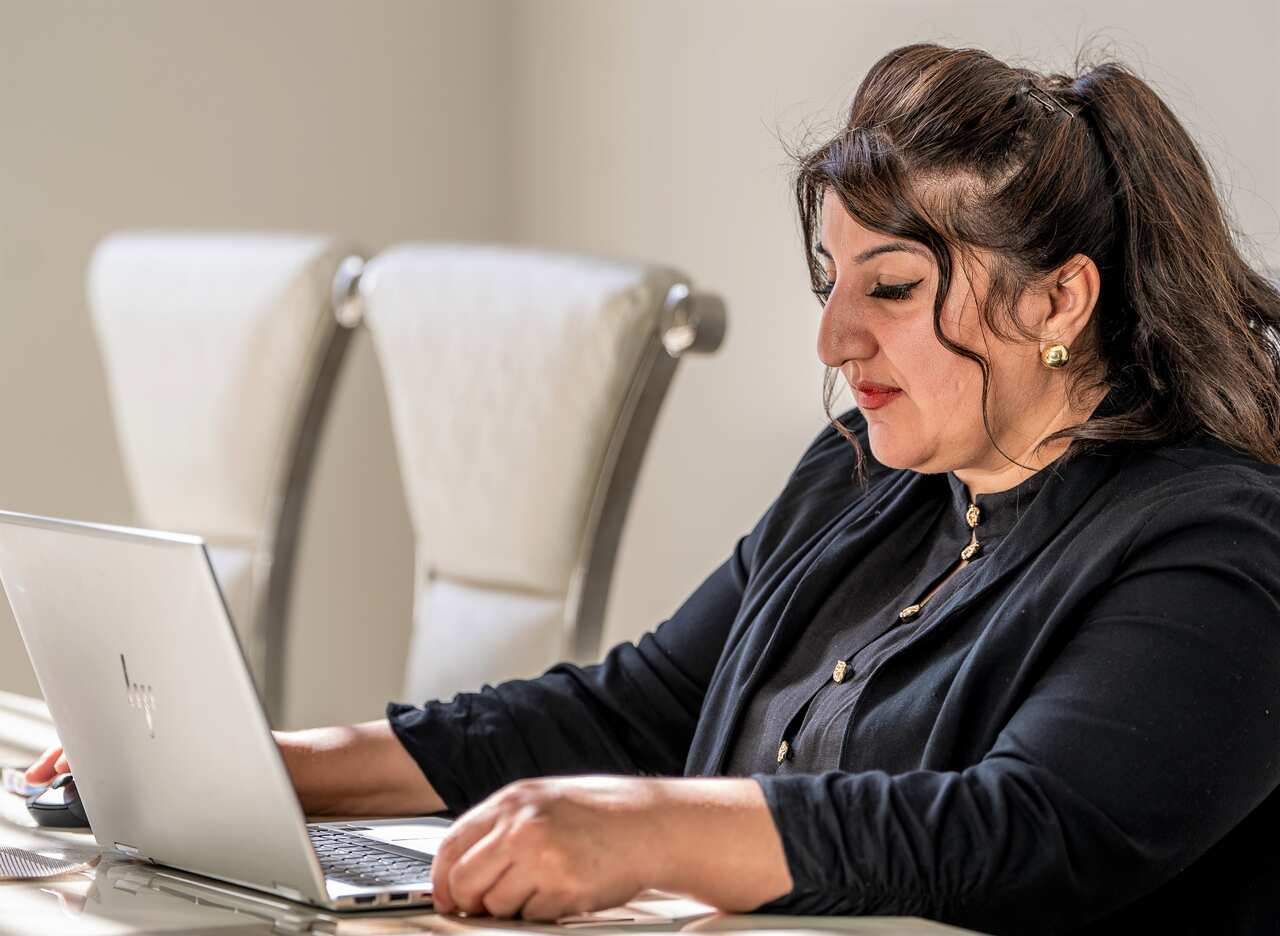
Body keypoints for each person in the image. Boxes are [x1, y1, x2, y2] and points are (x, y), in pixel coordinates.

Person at [28, 43, 1280, 935]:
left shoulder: (1212, 541)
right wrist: (262, 769)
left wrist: (639, 831)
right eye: (828, 282)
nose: (834, 340)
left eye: (890, 289)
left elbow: (1029, 835)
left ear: (1058, 298)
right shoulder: (862, 477)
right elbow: (638, 707)